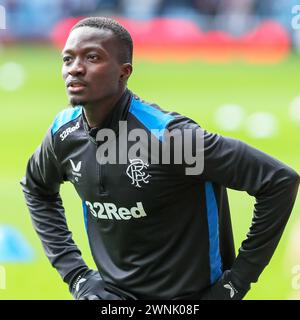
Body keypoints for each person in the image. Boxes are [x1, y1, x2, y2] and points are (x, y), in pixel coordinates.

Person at [21, 16, 299, 300]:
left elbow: (278, 181)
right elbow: (36, 188)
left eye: (92, 57)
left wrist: (236, 283)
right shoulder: (64, 133)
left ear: (124, 72)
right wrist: (77, 276)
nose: (76, 69)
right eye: (68, 59)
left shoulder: (169, 139)